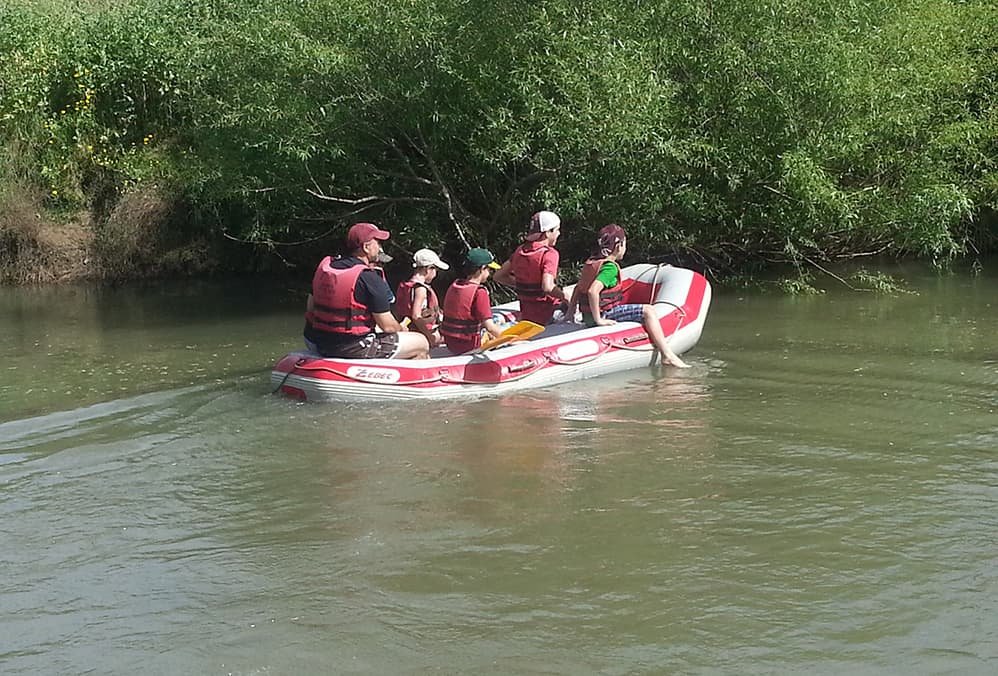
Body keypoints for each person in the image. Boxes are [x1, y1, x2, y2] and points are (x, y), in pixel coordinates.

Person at [567, 223, 691, 368]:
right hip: (605, 314)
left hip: (587, 317)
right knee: (648, 310)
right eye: (625, 243)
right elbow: (592, 291)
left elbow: (578, 288)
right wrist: (599, 320)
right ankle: (667, 355)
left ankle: (666, 355)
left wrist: (570, 313)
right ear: (618, 246)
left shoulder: (591, 262)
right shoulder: (609, 268)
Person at [303, 222, 429, 359]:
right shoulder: (369, 277)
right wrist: (401, 329)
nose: (380, 248)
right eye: (378, 243)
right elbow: (388, 327)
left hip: (315, 341)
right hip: (350, 346)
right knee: (421, 342)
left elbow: (310, 307)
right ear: (366, 247)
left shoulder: (326, 268)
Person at [494, 210, 570, 325]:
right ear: (547, 232)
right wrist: (567, 298)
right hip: (549, 314)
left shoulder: (520, 251)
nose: (559, 233)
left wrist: (521, 284)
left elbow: (498, 276)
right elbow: (548, 287)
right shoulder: (549, 254)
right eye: (557, 230)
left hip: (528, 315)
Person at [440, 248, 505, 355]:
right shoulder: (479, 292)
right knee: (507, 325)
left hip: (451, 343)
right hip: (469, 345)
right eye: (489, 269)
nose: (489, 273)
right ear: (482, 269)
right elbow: (489, 326)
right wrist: (514, 340)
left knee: (497, 323)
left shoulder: (455, 285)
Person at [395, 248, 448, 348]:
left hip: (407, 330)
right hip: (420, 333)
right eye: (435, 269)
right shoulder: (421, 289)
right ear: (428, 269)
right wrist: (429, 336)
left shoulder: (406, 285)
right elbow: (416, 316)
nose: (436, 273)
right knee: (451, 337)